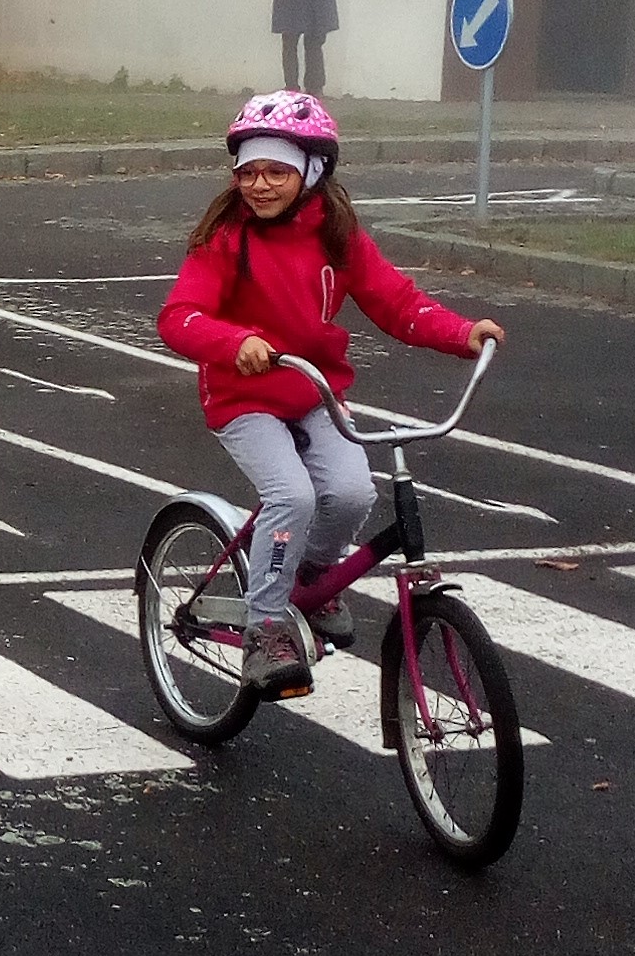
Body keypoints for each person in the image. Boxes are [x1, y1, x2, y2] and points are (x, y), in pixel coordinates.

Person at [155, 93, 503, 697]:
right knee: (291, 496)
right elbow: (179, 317)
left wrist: (461, 333)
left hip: (313, 390)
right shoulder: (225, 239)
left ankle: (312, 582)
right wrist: (234, 341)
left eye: (277, 172)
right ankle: (266, 627)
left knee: (349, 493)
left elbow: (395, 301)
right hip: (243, 397)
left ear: (312, 172)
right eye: (248, 172)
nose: (260, 185)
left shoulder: (337, 237)